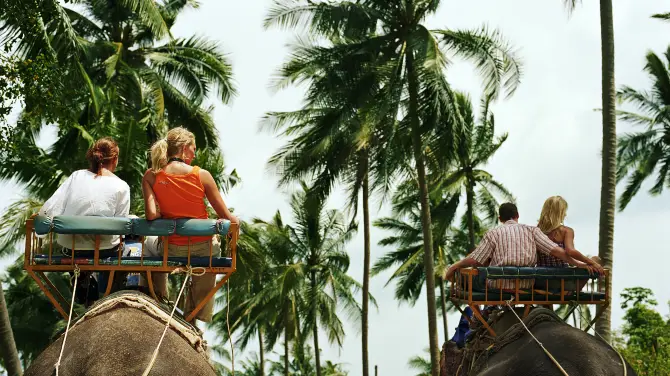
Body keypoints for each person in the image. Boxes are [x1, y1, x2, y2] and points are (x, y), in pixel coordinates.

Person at [141, 127, 238, 323]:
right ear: (184, 148)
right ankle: (197, 312)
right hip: (204, 249)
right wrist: (237, 223)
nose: (194, 154)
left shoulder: (151, 176)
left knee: (146, 246)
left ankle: (157, 297)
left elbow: (151, 215)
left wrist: (164, 214)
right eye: (193, 149)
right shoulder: (201, 175)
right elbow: (229, 219)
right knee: (210, 256)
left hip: (172, 249)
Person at [38, 137, 130, 305]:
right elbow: (122, 226)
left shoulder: (76, 176)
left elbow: (51, 207)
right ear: (115, 159)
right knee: (128, 247)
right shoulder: (122, 186)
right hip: (104, 249)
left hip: (72, 248)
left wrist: (40, 227)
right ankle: (111, 290)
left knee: (81, 246)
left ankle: (82, 280)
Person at [444, 203, 599, 289]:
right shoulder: (532, 231)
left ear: (499, 218)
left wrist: (454, 266)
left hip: (499, 285)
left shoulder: (493, 233)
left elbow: (475, 260)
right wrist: (580, 264)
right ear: (517, 216)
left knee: (471, 274)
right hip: (526, 285)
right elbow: (558, 252)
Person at [536, 196, 604, 291]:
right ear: (560, 213)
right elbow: (570, 251)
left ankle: (547, 305)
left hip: (542, 283)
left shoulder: (536, 231)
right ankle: (574, 291)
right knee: (596, 259)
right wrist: (591, 263)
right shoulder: (566, 231)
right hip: (563, 283)